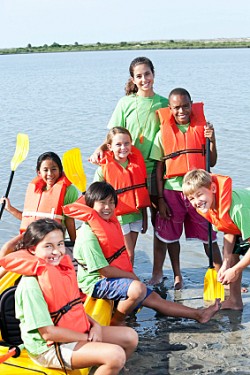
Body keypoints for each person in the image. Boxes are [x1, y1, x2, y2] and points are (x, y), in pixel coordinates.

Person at [64, 181, 221, 327]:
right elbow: (103, 271)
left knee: (154, 299)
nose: (108, 207)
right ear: (90, 205)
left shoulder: (108, 223)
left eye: (111, 202)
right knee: (138, 289)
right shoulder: (87, 235)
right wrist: (132, 277)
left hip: (112, 277)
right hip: (94, 283)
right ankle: (116, 323)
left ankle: (199, 314)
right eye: (102, 203)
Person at [0, 219, 138, 374]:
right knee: (115, 355)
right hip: (48, 347)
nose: (57, 251)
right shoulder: (31, 286)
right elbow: (47, 333)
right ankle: (110, 364)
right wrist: (85, 338)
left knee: (130, 336)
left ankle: (110, 369)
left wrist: (96, 326)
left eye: (60, 244)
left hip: (70, 331)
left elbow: (73, 307)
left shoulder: (60, 271)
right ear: (32, 249)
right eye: (48, 246)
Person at [88, 57, 169, 273]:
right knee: (125, 222)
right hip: (127, 171)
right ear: (133, 79)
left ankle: (158, 272)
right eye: (139, 76)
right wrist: (99, 149)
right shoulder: (125, 103)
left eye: (147, 74)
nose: (144, 79)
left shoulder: (164, 103)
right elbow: (113, 137)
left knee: (159, 225)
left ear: (154, 73)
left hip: (156, 171)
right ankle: (120, 268)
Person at [149, 88, 222, 289]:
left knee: (209, 236)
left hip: (199, 192)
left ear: (191, 105)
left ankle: (221, 273)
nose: (182, 110)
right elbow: (158, 169)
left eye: (185, 106)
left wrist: (213, 140)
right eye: (176, 107)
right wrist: (160, 199)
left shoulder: (203, 129)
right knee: (171, 237)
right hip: (172, 192)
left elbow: (212, 161)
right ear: (170, 109)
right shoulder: (161, 135)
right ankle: (177, 275)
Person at [183, 168, 250, 311]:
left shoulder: (237, 209)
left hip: (247, 213)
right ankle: (235, 301)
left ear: (213, 188)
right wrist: (226, 263)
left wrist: (236, 270)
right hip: (242, 221)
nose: (196, 202)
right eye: (191, 198)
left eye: (199, 195)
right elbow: (229, 230)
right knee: (231, 256)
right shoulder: (210, 206)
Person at [93, 126, 151, 265]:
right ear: (110, 146)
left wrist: (145, 218)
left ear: (131, 144)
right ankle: (129, 280)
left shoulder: (136, 164)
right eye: (118, 144)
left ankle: (126, 277)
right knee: (129, 253)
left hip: (136, 215)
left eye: (126, 143)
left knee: (128, 253)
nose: (123, 147)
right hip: (117, 217)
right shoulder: (103, 169)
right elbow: (94, 196)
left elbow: (141, 190)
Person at [0, 151, 78, 241]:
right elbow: (29, 218)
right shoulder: (34, 190)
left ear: (60, 171)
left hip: (52, 241)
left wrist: (74, 243)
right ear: (39, 172)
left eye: (54, 169)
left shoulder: (69, 191)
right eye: (45, 170)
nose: (50, 174)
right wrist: (9, 208)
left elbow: (69, 220)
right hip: (31, 239)